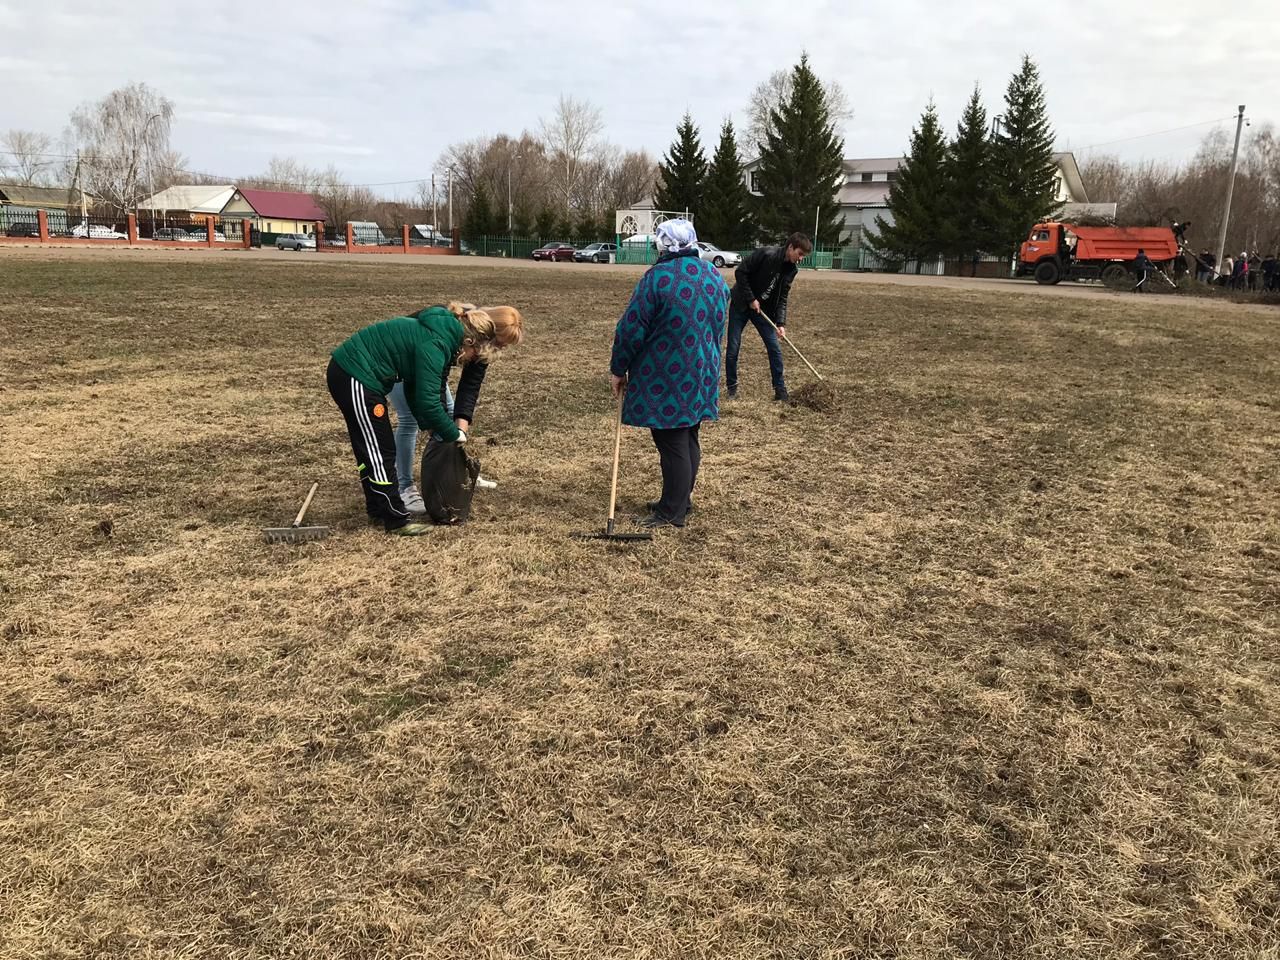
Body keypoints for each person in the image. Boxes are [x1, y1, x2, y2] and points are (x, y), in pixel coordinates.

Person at [327, 304, 507, 535]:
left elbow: (414, 389)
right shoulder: (437, 345)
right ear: (470, 343)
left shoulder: (442, 338)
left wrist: (430, 426)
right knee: (380, 451)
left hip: (355, 376)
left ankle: (377, 509)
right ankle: (396, 519)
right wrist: (455, 434)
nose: (470, 361)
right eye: (474, 354)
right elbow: (429, 402)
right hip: (356, 375)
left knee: (370, 449)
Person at [609, 218, 728, 529]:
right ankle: (678, 500)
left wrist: (618, 368)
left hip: (667, 373)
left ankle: (672, 512)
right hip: (702, 369)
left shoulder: (657, 279)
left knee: (672, 439)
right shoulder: (713, 275)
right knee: (687, 435)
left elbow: (631, 329)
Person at [389, 303, 524, 514]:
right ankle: (404, 487)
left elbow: (470, 387)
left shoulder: (482, 342)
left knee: (452, 417)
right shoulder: (458, 325)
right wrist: (441, 426)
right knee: (409, 419)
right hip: (400, 362)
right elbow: (434, 387)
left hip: (429, 368)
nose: (501, 349)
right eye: (500, 343)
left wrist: (460, 429)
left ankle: (460, 474)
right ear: (489, 333)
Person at [724, 232, 813, 401]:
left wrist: (780, 322)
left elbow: (782, 297)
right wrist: (750, 298)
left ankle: (780, 390)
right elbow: (741, 272)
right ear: (791, 247)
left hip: (762, 311)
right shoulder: (766, 254)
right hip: (741, 304)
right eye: (800, 254)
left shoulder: (792, 270)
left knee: (774, 347)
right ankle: (732, 388)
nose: (801, 258)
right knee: (733, 347)